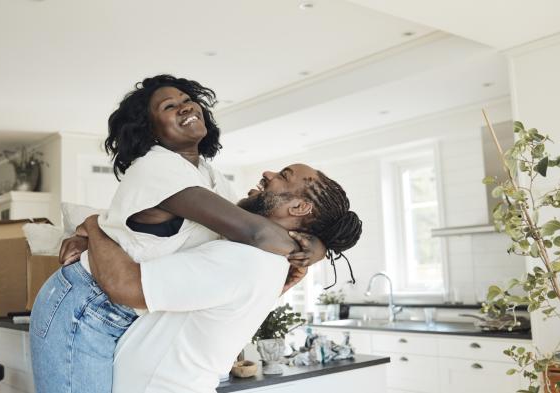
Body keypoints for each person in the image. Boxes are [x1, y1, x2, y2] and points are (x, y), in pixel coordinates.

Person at [30, 75, 333, 393]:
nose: (185, 106)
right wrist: (312, 246)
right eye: (169, 106)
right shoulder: (156, 168)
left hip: (123, 310)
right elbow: (256, 232)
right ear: (150, 130)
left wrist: (315, 244)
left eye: (187, 100)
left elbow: (249, 226)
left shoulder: (207, 175)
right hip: (86, 305)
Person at [66, 163, 362, 393]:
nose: (268, 173)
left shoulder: (243, 261)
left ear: (298, 208)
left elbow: (124, 286)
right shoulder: (263, 257)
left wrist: (94, 227)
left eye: (284, 175)